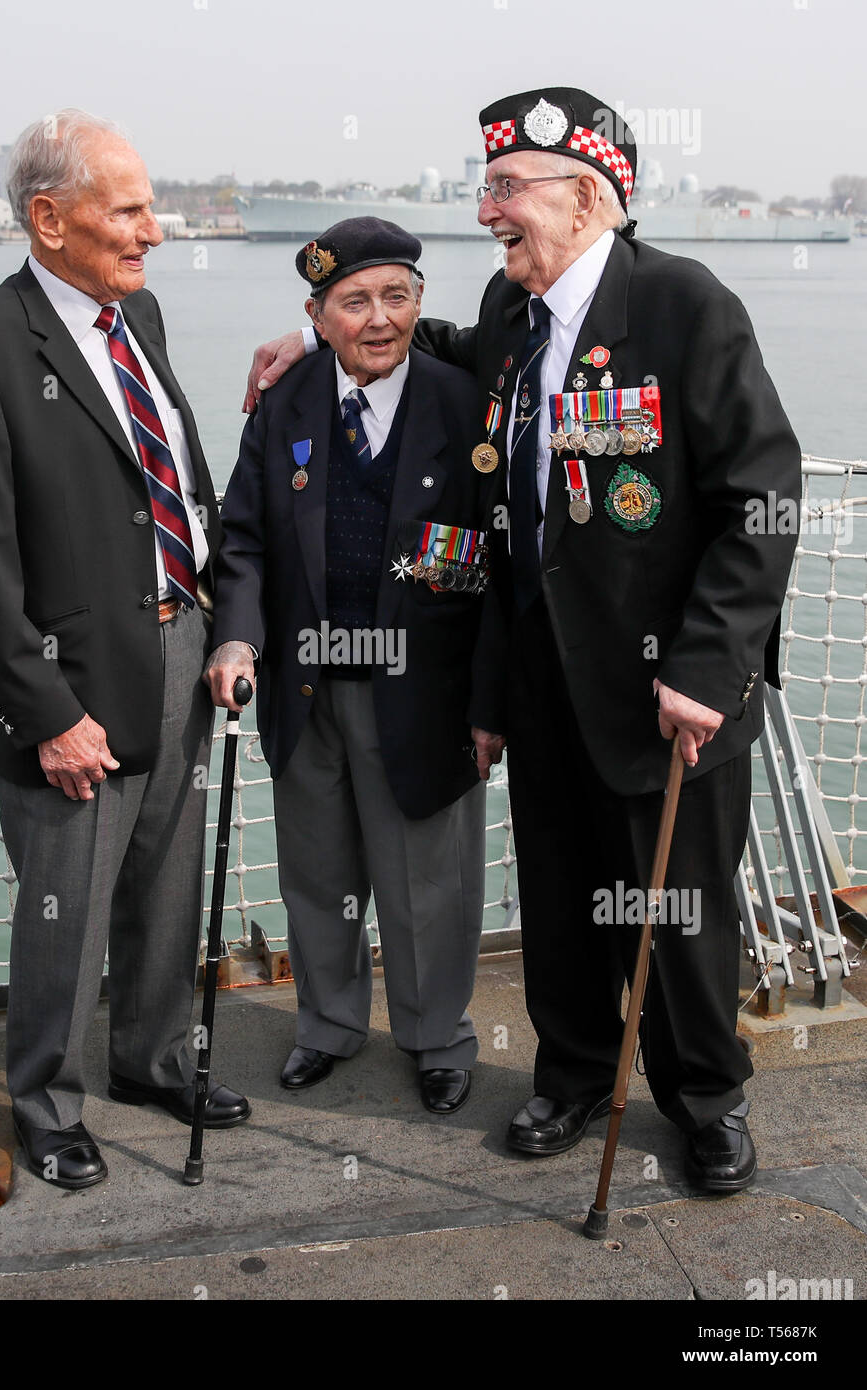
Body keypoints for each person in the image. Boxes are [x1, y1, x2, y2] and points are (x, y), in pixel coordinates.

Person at [245, 89, 801, 1192]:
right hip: (543, 670)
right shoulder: (511, 312)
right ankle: (578, 1069)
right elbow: (446, 347)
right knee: (559, 890)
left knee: (672, 905)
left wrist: (703, 667)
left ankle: (706, 1097)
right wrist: (320, 347)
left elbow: (762, 496)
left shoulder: (688, 307)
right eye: (486, 184)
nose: (486, 208)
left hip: (665, 689)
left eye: (506, 188)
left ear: (586, 196)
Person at [0, 108, 249, 1192]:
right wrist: (46, 712)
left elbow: (177, 479)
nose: (155, 230)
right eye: (131, 210)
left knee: (164, 885)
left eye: (152, 207)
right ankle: (47, 1106)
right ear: (49, 218)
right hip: (74, 688)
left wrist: (214, 614)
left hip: (180, 651)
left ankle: (153, 1061)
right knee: (64, 906)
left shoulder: (136, 314)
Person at [207, 218, 495, 1113]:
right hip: (305, 685)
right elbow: (243, 539)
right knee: (318, 876)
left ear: (419, 303)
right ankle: (326, 1027)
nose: (379, 321)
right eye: (354, 302)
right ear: (316, 316)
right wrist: (236, 638)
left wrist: (490, 704)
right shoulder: (285, 405)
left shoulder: (465, 401)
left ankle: (434, 1037)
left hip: (427, 693)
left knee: (428, 887)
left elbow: (505, 569)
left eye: (397, 297)